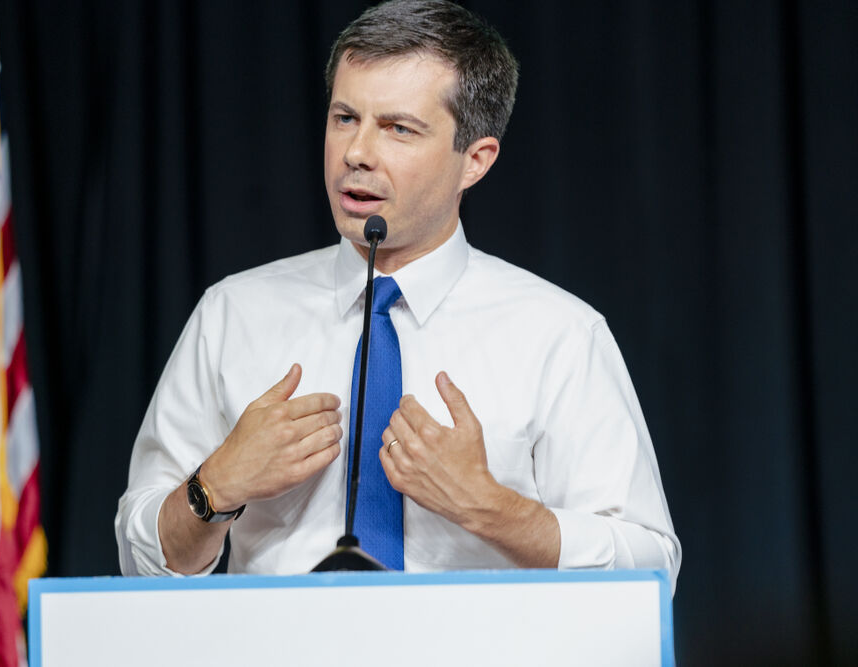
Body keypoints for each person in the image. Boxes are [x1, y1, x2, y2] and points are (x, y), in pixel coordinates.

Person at [115, 0, 681, 589]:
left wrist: (489, 508)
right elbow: (143, 561)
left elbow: (651, 567)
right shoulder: (232, 314)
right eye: (344, 118)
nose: (356, 153)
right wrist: (217, 485)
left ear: (476, 160)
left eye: (398, 128)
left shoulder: (559, 334)